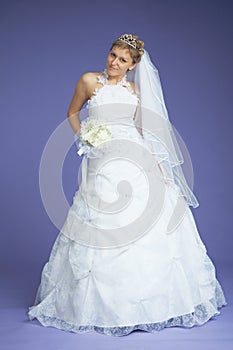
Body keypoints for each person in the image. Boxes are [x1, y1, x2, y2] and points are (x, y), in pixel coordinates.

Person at [28, 34, 227, 336]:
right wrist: (85, 136)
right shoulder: (88, 81)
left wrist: (158, 167)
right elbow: (72, 113)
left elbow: (142, 131)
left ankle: (149, 303)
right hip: (101, 159)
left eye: (123, 60)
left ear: (133, 66)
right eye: (112, 55)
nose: (114, 63)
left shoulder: (134, 91)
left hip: (135, 159)